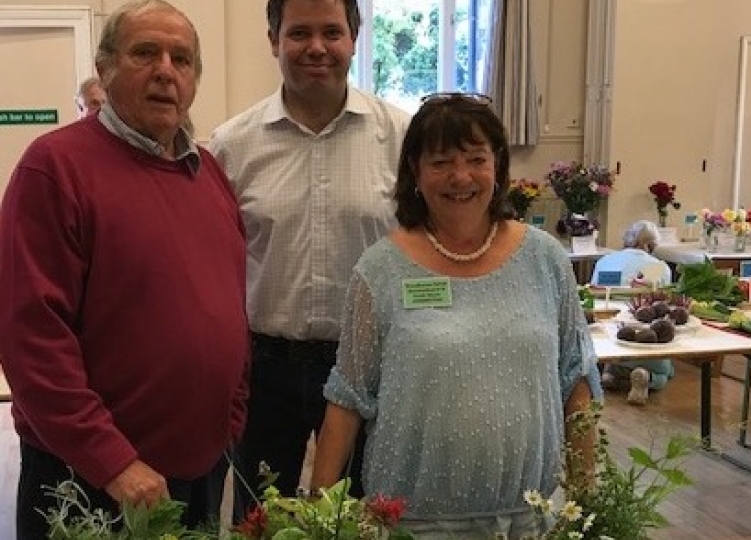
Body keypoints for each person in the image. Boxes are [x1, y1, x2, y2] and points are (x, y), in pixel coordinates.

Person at [0, 1, 250, 538]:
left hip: (197, 470)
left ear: (194, 80)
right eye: (145, 53)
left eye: (182, 59)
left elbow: (229, 304)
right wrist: (111, 461)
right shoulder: (54, 169)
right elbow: (33, 339)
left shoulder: (207, 173)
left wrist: (229, 420)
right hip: (93, 476)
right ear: (105, 67)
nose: (165, 69)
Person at [310, 94, 602, 540]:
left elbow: (576, 382)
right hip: (410, 524)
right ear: (414, 171)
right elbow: (348, 398)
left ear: (498, 165)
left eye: (475, 159)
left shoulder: (545, 259)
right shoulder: (381, 270)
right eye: (442, 161)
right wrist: (319, 517)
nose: (460, 177)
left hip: (530, 521)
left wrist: (588, 503)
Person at [208, 0, 409, 513]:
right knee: (259, 516)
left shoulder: (401, 138)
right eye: (299, 33)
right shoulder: (231, 146)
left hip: (370, 365)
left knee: (364, 514)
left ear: (355, 37)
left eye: (331, 32)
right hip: (264, 367)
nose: (316, 48)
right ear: (273, 39)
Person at [590, 220, 674, 404]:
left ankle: (611, 373)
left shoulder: (605, 261)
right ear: (651, 244)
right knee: (666, 372)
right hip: (644, 335)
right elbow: (661, 301)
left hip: (606, 332)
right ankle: (649, 378)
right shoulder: (658, 266)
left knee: (616, 362)